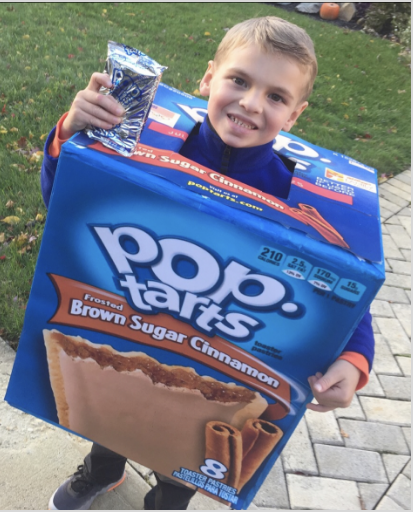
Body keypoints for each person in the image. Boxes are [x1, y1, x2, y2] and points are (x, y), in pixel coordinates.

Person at [41, 16, 374, 511]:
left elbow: (344, 295)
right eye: (239, 80)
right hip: (135, 334)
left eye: (276, 97)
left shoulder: (300, 210)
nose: (251, 103)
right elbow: (63, 200)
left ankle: (170, 498)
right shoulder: (143, 148)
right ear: (208, 77)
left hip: (219, 367)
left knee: (195, 444)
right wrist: (71, 132)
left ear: (295, 115)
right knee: (116, 409)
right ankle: (103, 469)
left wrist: (354, 360)